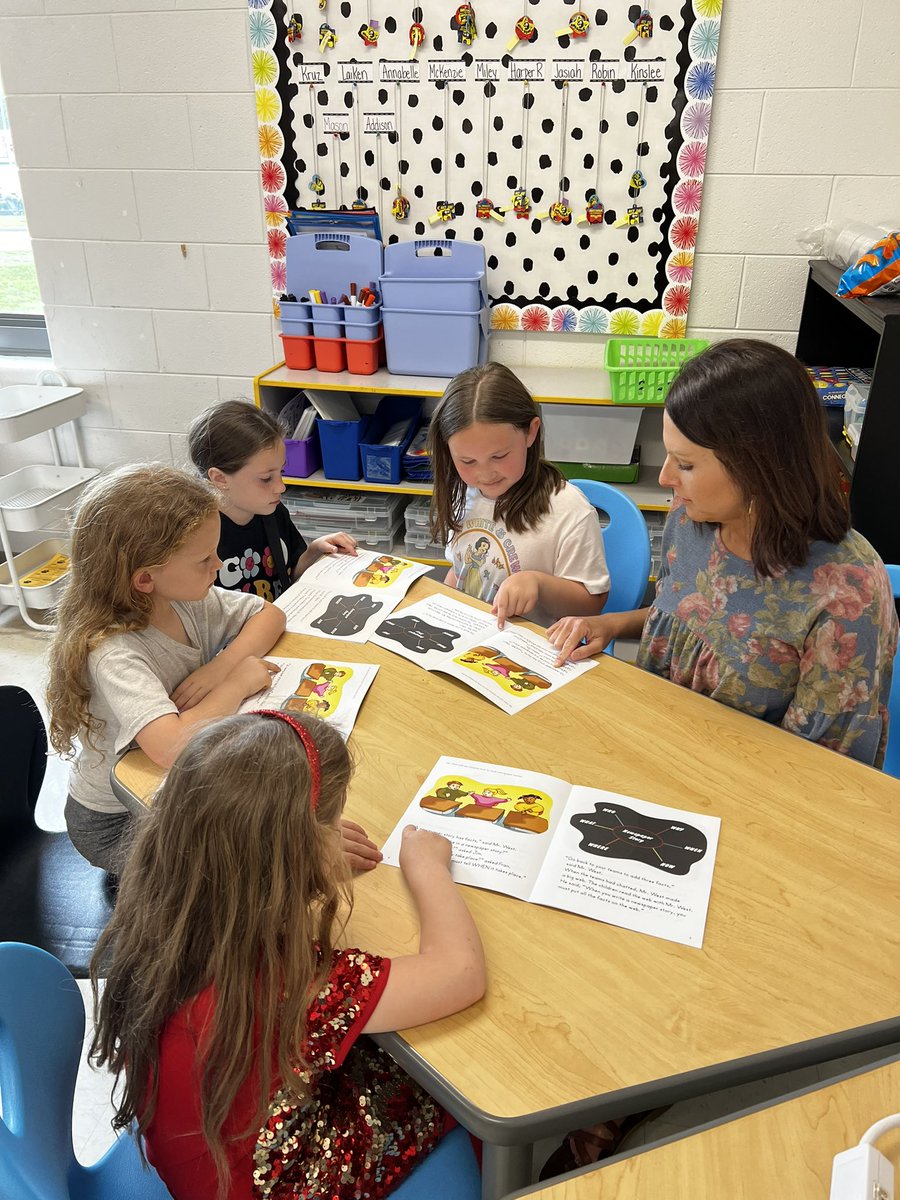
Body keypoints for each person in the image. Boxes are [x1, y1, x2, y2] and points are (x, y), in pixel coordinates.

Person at [90, 711, 486, 1200]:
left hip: (200, 1155)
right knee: (458, 1089)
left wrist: (298, 859)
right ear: (291, 848)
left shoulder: (164, 907)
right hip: (263, 1183)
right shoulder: (283, 983)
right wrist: (427, 867)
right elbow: (460, 973)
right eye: (331, 821)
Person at [549, 338, 898, 768]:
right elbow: (688, 620)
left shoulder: (847, 592)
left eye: (687, 464)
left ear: (759, 466)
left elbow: (824, 771)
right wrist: (609, 624)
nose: (664, 478)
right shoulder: (690, 521)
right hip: (655, 749)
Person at [45, 464, 288, 873]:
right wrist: (236, 683)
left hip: (167, 792)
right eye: (203, 559)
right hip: (118, 820)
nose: (218, 564)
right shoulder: (113, 650)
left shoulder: (184, 597)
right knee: (257, 859)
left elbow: (269, 614)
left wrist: (221, 667)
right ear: (144, 579)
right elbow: (168, 749)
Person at [428, 362, 609, 627]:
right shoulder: (464, 493)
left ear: (531, 432)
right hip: (470, 635)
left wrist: (538, 583)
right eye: (467, 461)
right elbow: (461, 572)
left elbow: (593, 602)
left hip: (531, 648)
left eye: (499, 456)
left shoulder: (569, 509)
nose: (485, 473)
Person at [188, 400, 357, 601]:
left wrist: (314, 550)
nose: (281, 487)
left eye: (282, 471)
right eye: (266, 478)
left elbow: (289, 576)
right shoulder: (197, 536)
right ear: (220, 478)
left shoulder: (271, 511)